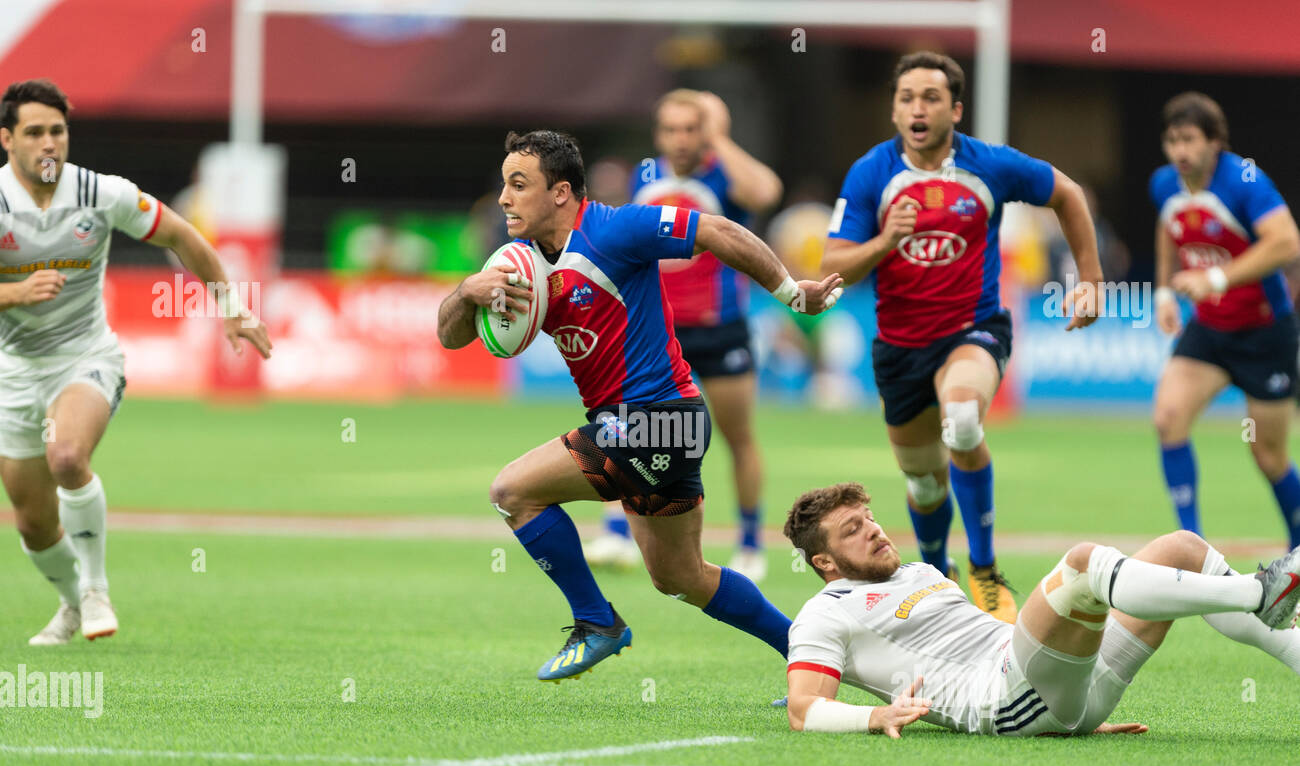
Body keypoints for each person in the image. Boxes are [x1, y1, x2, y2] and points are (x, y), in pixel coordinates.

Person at [436, 130, 841, 681]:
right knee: (683, 578)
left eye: (518, 184)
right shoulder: (520, 264)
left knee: (512, 491)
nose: (504, 197)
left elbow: (718, 231)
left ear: (560, 192)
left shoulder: (616, 227)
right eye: (504, 184)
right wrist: (468, 292)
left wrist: (793, 293)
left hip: (660, 421)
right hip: (639, 426)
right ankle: (813, 657)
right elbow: (452, 337)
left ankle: (596, 622)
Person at [820, 51, 1104, 623]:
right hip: (899, 346)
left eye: (930, 98)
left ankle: (985, 568)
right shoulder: (871, 173)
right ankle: (933, 574)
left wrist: (1091, 279)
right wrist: (884, 242)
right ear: (895, 110)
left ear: (955, 108)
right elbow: (835, 265)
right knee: (924, 484)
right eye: (906, 98)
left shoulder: (990, 165)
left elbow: (1066, 193)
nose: (917, 108)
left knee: (965, 419)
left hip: (972, 331)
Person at [0, 79, 272, 646]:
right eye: (34, 133)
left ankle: (96, 588)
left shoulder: (102, 193)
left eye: (58, 131)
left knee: (68, 456)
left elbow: (183, 236)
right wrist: (13, 294)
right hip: (15, 371)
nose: (49, 144)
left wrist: (232, 306)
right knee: (32, 520)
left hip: (85, 357)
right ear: (7, 139)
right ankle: (72, 603)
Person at [780, 482, 1300, 737]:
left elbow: (989, 643)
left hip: (1060, 687)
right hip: (1007, 703)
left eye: (869, 518)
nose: (873, 529)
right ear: (823, 560)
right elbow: (803, 711)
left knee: (1182, 548)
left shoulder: (921, 573)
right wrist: (875, 715)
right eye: (853, 529)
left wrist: (1068, 705)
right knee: (1080, 567)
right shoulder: (824, 613)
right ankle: (1261, 593)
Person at [585, 90, 782, 581]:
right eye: (670, 129)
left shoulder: (724, 174)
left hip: (719, 326)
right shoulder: (645, 176)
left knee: (737, 436)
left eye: (690, 129)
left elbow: (765, 194)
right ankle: (616, 529)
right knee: (630, 426)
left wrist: (721, 139)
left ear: (705, 132)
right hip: (656, 327)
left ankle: (751, 542)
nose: (679, 140)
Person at [1150, 92, 1300, 547]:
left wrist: (1215, 278)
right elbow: (1167, 226)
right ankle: (1190, 546)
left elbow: (1287, 243)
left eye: (1190, 140)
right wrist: (1163, 290)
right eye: (1172, 140)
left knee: (1268, 456)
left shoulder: (1245, 181)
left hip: (1264, 334)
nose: (1180, 151)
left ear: (1215, 142)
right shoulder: (1164, 183)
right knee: (1167, 418)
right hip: (1210, 332)